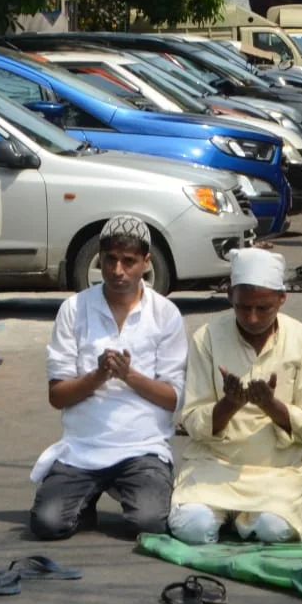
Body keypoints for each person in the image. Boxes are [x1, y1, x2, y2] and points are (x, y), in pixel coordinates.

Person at [29, 216, 186, 540]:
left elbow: (173, 399)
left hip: (142, 448)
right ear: (100, 259)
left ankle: (131, 486)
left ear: (146, 262)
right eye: (110, 260)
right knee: (47, 524)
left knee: (151, 524)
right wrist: (98, 376)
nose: (118, 271)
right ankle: (84, 499)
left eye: (128, 262)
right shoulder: (74, 309)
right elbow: (57, 396)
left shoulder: (165, 313)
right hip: (83, 448)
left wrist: (129, 376)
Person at [169, 249, 302, 544]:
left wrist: (270, 405)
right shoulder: (207, 337)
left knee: (272, 529)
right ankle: (233, 519)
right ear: (230, 296)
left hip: (276, 471)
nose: (252, 317)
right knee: (193, 527)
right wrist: (230, 403)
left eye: (263, 308)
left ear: (282, 298)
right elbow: (191, 419)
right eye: (243, 307)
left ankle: (245, 521)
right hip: (214, 465)